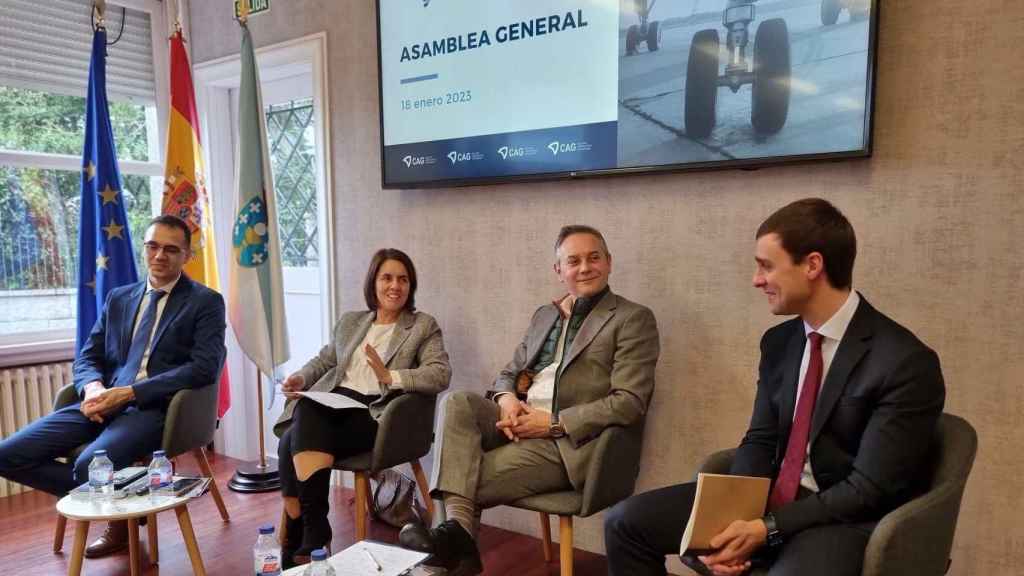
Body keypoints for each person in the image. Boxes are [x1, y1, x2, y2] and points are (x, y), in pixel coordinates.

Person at [604, 198, 946, 576]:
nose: (756, 279)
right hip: (768, 499)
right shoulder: (779, 342)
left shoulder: (904, 361)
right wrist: (732, 518)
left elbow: (869, 489)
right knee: (624, 523)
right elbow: (761, 439)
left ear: (812, 265)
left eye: (766, 266)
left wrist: (765, 529)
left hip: (841, 517)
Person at [399, 225, 660, 575]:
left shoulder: (632, 318)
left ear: (609, 263)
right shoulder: (545, 315)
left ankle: (448, 553)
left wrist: (552, 423)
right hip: (518, 421)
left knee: (460, 474)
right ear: (559, 271)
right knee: (457, 401)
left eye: (593, 258)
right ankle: (456, 543)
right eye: (574, 261)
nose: (584, 268)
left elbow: (629, 401)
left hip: (568, 442)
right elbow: (508, 372)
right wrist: (507, 399)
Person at [0, 214, 227, 558]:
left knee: (88, 468)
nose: (159, 256)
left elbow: (204, 368)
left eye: (171, 249)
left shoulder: (205, 302)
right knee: (7, 456)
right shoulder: (120, 297)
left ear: (186, 256)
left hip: (154, 408)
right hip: (102, 400)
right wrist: (92, 388)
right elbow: (87, 355)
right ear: (144, 248)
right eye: (152, 246)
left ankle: (117, 516)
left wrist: (132, 392)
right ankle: (125, 502)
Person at [274, 248, 451, 567]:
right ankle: (307, 523)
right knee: (300, 422)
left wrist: (390, 376)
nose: (394, 286)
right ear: (373, 283)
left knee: (299, 425)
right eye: (387, 278)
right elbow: (325, 361)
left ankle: (307, 526)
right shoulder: (351, 322)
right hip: (332, 404)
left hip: (376, 413)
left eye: (403, 279)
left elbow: (440, 373)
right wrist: (301, 377)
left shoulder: (422, 325)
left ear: (411, 287)